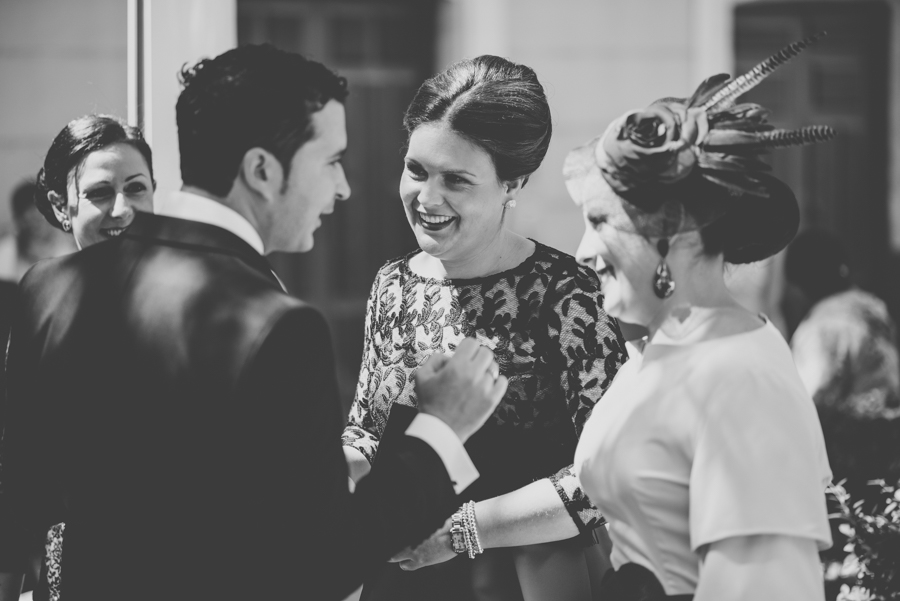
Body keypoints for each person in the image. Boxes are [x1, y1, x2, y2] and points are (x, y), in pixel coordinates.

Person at [0, 44, 505, 601]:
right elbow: (321, 565)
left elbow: (20, 493)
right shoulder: (276, 325)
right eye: (331, 161)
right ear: (262, 170)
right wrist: (442, 428)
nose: (343, 187)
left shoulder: (48, 287)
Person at [342, 55, 626, 601]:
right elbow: (368, 433)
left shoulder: (569, 294)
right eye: (417, 170)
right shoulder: (392, 284)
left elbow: (603, 480)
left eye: (456, 180)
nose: (427, 198)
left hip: (523, 578)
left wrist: (462, 532)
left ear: (512, 183)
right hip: (402, 577)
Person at [569, 37, 835, 600]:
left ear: (670, 231)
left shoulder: (742, 378)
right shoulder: (656, 354)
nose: (582, 251)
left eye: (600, 222)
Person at [0, 114, 154, 601]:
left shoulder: (196, 295)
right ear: (60, 205)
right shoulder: (41, 291)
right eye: (100, 193)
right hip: (71, 573)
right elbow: (19, 461)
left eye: (137, 188)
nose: (122, 209)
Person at [785, 229, 900, 492]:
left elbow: (811, 402)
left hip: (852, 462)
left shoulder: (824, 328)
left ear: (800, 283)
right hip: (890, 446)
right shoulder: (871, 311)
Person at [0, 181, 75, 282]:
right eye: (30, 220)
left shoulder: (71, 240)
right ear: (19, 221)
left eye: (40, 218)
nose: (36, 222)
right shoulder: (7, 250)